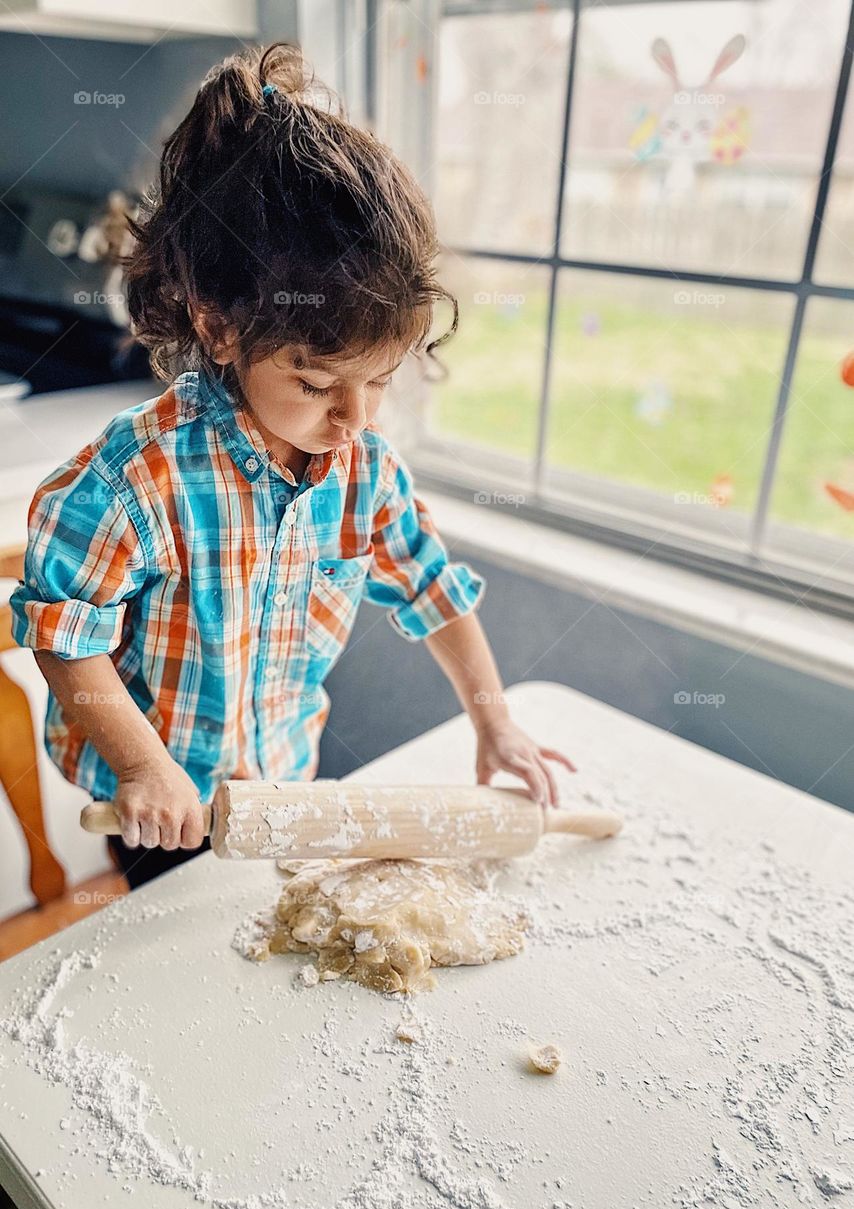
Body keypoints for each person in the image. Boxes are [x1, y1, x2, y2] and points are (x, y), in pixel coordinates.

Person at [9, 41, 574, 890]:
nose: (353, 417)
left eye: (379, 380)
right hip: (163, 801)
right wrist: (142, 769)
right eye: (315, 382)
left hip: (282, 778)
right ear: (221, 326)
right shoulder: (138, 480)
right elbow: (64, 638)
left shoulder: (363, 472)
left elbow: (431, 588)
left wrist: (495, 725)